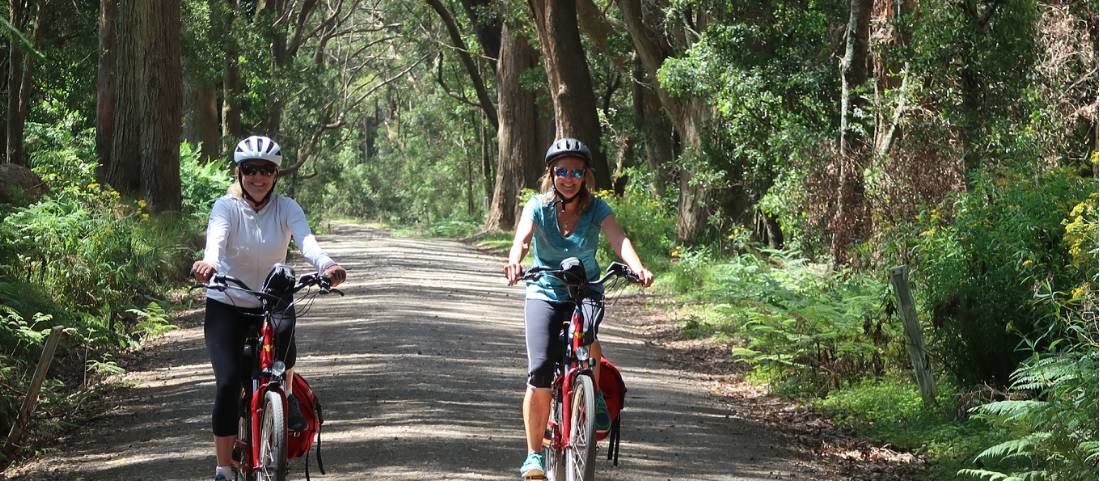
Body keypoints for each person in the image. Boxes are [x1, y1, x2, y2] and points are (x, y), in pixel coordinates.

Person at [191, 135, 347, 481]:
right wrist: (208, 264)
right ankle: (223, 468)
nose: (258, 178)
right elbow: (215, 241)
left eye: (266, 170)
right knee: (229, 384)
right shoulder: (226, 208)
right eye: (250, 170)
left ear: (276, 175)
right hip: (227, 301)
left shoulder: (287, 208)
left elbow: (307, 241)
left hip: (273, 298)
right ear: (239, 173)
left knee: (284, 343)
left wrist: (327, 265)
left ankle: (284, 396)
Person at [503, 137, 654, 479]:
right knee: (540, 370)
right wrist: (514, 261)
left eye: (576, 171)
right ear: (550, 173)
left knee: (586, 341)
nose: (569, 177)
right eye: (561, 171)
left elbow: (619, 239)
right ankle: (533, 456)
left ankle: (591, 392)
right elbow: (522, 239)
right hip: (544, 290)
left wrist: (638, 267)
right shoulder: (537, 206)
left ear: (585, 175)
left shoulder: (596, 208)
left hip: (586, 290)